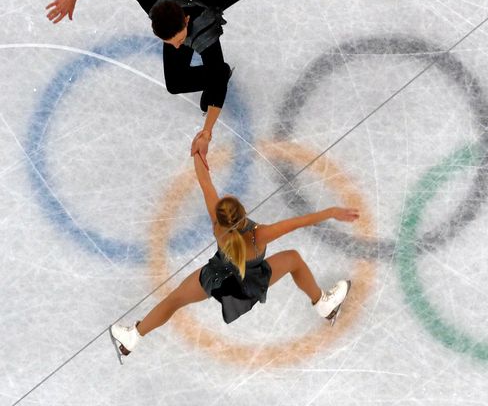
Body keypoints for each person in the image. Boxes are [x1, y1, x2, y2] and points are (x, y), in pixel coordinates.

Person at [108, 151, 357, 361]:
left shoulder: (218, 224)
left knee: (174, 300)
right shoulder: (259, 235)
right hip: (247, 286)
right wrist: (332, 211)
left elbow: (205, 182)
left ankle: (132, 337)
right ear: (242, 212)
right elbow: (297, 222)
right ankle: (323, 304)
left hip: (217, 277)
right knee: (293, 259)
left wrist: (198, 150)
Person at [46, 0, 264, 167]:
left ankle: (221, 71)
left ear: (186, 21)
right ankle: (221, 71)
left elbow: (216, 82)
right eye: (170, 42)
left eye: (178, 40)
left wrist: (207, 132)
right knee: (176, 82)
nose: (177, 46)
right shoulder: (155, 4)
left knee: (216, 74)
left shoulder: (203, 30)